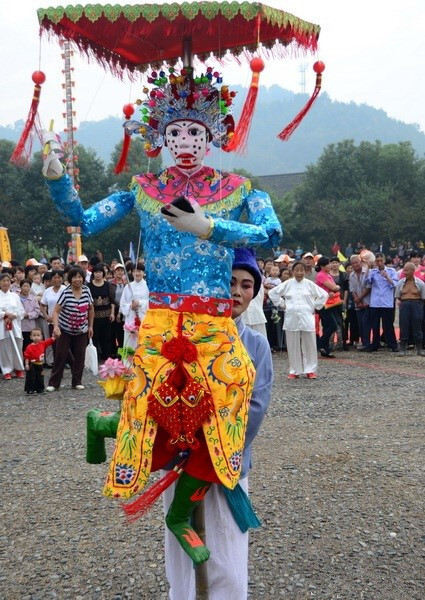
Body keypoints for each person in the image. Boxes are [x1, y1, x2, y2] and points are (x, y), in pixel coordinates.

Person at [42, 64, 281, 565]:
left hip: (215, 322)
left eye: (196, 131)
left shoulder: (238, 188)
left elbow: (270, 234)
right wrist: (59, 180)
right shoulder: (144, 189)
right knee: (148, 406)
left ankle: (183, 509)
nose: (186, 141)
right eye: (175, 132)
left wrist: (208, 225)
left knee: (232, 390)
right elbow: (82, 221)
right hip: (163, 318)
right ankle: (106, 428)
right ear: (163, 138)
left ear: (212, 135)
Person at [268, 261, 328, 379]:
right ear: (292, 271)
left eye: (302, 270)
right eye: (297, 270)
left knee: (309, 344)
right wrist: (282, 304)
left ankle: (310, 370)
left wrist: (315, 306)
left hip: (307, 317)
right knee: (292, 344)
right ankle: (294, 370)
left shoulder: (310, 284)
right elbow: (272, 293)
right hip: (292, 317)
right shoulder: (288, 284)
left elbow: (324, 295)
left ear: (305, 271)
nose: (299, 273)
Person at [46, 267, 94, 391]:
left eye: (80, 277)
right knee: (61, 354)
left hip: (81, 329)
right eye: (74, 277)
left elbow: (91, 309)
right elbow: (56, 311)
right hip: (65, 328)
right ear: (70, 279)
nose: (77, 279)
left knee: (80, 354)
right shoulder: (66, 292)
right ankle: (53, 383)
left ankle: (77, 381)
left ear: (83, 279)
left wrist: (90, 326)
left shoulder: (87, 291)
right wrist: (56, 327)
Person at [365, 252, 398, 352]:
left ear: (384, 260)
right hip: (375, 302)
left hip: (386, 302)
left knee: (388, 324)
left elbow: (395, 284)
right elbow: (367, 280)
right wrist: (368, 268)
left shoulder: (391, 271)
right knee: (374, 324)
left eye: (381, 260)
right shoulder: (373, 271)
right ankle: (375, 344)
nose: (379, 263)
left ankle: (392, 344)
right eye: (377, 261)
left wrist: (387, 277)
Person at [394, 262, 425, 356]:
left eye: (407, 270)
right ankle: (403, 349)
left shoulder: (420, 283)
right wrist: (406, 302)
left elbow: (423, 297)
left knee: (417, 327)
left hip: (417, 305)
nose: (405, 272)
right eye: (404, 269)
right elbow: (398, 296)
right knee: (404, 326)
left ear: (412, 271)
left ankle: (419, 349)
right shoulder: (400, 283)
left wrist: (416, 304)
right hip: (404, 304)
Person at [88, 263, 116, 361]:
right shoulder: (89, 286)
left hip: (107, 315)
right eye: (96, 272)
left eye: (100, 272)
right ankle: (95, 358)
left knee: (107, 337)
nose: (98, 274)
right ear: (93, 273)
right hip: (94, 316)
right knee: (95, 337)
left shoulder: (108, 285)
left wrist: (112, 313)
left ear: (103, 273)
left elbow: (112, 300)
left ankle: (106, 357)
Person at [119, 261, 149, 351]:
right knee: (130, 345)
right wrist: (130, 306)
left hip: (144, 318)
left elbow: (152, 302)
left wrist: (140, 303)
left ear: (143, 273)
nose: (137, 273)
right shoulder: (128, 287)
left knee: (143, 344)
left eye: (139, 271)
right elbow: (122, 303)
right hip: (131, 320)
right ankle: (129, 364)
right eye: (135, 271)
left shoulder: (148, 286)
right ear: (132, 273)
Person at [0, 272, 25, 380]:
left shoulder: (15, 296)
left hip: (15, 325)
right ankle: (7, 370)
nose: (6, 283)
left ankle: (18, 368)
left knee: (17, 346)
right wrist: (4, 314)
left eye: (8, 281)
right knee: (5, 348)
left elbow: (21, 311)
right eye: (3, 281)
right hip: (2, 325)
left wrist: (13, 315)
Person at [315, 257, 341, 358]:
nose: (330, 265)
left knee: (328, 325)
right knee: (333, 325)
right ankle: (320, 343)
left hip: (330, 303)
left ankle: (325, 349)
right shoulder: (321, 275)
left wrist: (334, 289)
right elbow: (334, 287)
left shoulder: (328, 275)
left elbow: (333, 288)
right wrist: (336, 288)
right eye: (328, 264)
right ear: (322, 266)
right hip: (323, 304)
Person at [40, 269, 66, 366]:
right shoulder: (47, 291)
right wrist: (46, 315)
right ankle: (57, 365)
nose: (57, 279)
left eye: (59, 277)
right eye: (55, 277)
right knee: (55, 344)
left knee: (64, 345)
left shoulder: (66, 289)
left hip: (65, 321)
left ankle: (67, 363)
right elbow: (42, 305)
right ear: (51, 279)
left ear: (62, 279)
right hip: (52, 322)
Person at [349, 254, 371, 350]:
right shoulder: (351, 275)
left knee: (366, 323)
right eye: (353, 263)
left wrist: (359, 298)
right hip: (358, 303)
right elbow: (352, 289)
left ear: (360, 262)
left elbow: (368, 287)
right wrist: (357, 301)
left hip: (367, 302)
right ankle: (363, 342)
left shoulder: (367, 272)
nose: (355, 264)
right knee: (360, 324)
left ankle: (367, 343)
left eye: (357, 262)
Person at [23, 328, 55, 394]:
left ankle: (40, 389)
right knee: (31, 377)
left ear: (41, 337)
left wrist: (54, 336)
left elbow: (50, 341)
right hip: (32, 364)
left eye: (38, 335)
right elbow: (27, 357)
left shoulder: (43, 344)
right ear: (31, 337)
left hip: (40, 364)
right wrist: (26, 364)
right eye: (34, 336)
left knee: (40, 377)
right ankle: (30, 390)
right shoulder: (29, 347)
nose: (36, 337)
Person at [19, 279, 41, 350]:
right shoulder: (16, 298)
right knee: (20, 347)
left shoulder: (33, 298)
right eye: (24, 286)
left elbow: (37, 311)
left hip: (30, 327)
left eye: (28, 286)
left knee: (29, 346)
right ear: (20, 287)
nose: (26, 288)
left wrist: (28, 315)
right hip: (19, 326)